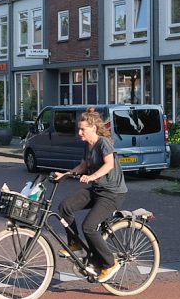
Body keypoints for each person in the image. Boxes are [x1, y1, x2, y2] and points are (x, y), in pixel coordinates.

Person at [54, 108, 127, 284]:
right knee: (65, 207)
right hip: (97, 190)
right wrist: (64, 175)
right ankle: (75, 245)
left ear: (93, 128)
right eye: (79, 129)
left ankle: (110, 263)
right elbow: (83, 165)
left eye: (82, 129)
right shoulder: (88, 146)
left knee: (89, 226)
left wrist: (93, 176)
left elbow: (109, 164)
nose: (79, 133)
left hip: (112, 193)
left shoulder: (103, 143)